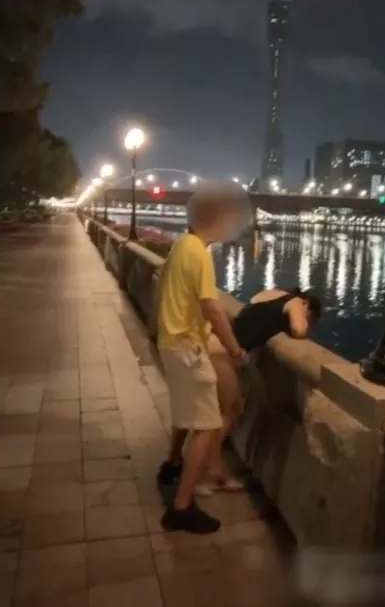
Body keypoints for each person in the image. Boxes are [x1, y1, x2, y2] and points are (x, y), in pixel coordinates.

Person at [156, 187, 247, 534]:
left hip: (171, 340)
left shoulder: (181, 245)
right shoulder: (200, 254)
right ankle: (181, 507)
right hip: (187, 348)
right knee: (208, 426)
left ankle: (171, 465)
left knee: (187, 413)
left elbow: (164, 289)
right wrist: (235, 349)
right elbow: (213, 308)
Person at [196, 287, 322, 495]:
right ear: (308, 306)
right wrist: (304, 324)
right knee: (224, 416)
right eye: (312, 319)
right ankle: (199, 475)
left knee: (232, 408)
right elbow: (299, 329)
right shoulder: (297, 303)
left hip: (215, 346)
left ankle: (216, 472)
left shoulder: (272, 294)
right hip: (222, 353)